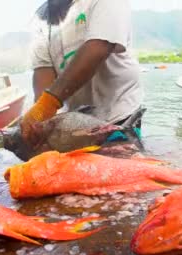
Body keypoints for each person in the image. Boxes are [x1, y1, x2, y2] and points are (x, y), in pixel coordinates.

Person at [22, 0, 144, 147]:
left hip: (120, 114)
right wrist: (40, 117)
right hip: (79, 124)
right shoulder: (41, 19)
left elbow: (98, 47)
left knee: (123, 166)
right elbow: (44, 72)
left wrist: (49, 103)